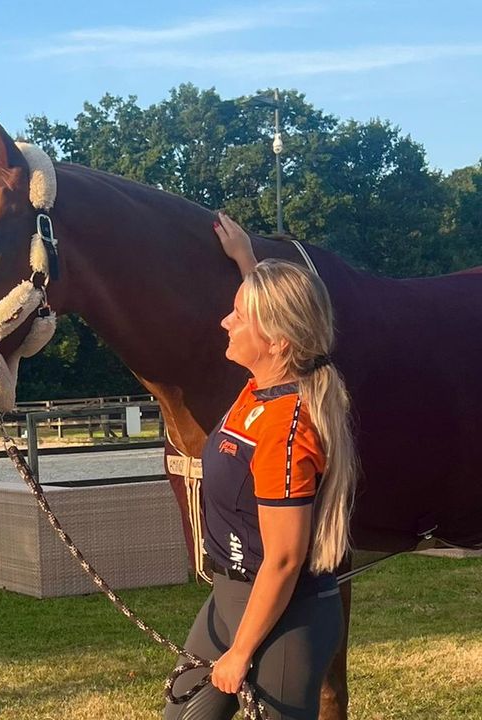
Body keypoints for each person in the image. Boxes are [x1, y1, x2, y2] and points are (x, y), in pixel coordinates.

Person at [163, 212, 357, 720]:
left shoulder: (286, 429)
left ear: (276, 341)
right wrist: (247, 259)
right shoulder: (259, 391)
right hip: (230, 597)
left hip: (284, 616)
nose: (225, 322)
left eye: (238, 316)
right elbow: (278, 311)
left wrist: (241, 652)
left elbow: (285, 559)